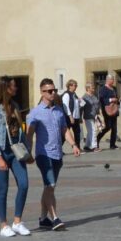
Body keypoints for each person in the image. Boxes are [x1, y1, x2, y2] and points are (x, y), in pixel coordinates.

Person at [27, 78, 79, 229]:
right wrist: (28, 153)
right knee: (50, 185)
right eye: (49, 91)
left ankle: (43, 219)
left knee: (49, 187)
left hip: (57, 154)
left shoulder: (58, 111)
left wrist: (73, 145)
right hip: (43, 155)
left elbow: (65, 130)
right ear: (42, 92)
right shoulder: (35, 113)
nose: (53, 93)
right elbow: (29, 135)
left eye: (54, 90)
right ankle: (55, 218)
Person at [0, 77, 31, 238]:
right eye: (13, 86)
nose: (16, 88)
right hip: (1, 153)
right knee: (3, 189)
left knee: (24, 184)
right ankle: (4, 225)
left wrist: (27, 153)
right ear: (5, 88)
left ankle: (17, 222)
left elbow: (20, 132)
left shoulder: (15, 106)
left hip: (16, 152)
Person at [97, 73, 121, 150]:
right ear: (108, 80)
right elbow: (102, 99)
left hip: (114, 109)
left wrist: (118, 100)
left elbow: (116, 97)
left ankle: (112, 144)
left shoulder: (114, 88)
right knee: (108, 127)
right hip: (107, 111)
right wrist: (110, 100)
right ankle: (97, 139)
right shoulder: (103, 89)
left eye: (113, 79)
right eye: (112, 79)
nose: (113, 81)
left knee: (114, 128)